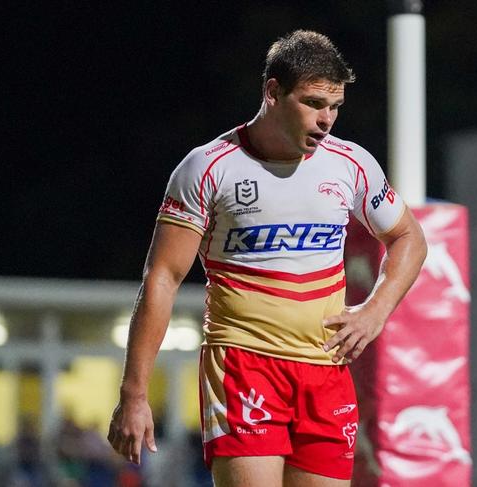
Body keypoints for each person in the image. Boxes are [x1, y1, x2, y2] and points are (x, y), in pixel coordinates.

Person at [108, 29, 427, 487]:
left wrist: (376, 310)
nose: (327, 119)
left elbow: (409, 238)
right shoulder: (209, 167)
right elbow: (161, 278)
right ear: (272, 92)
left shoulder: (350, 164)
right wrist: (134, 393)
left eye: (334, 107)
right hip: (244, 365)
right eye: (314, 103)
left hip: (325, 370)